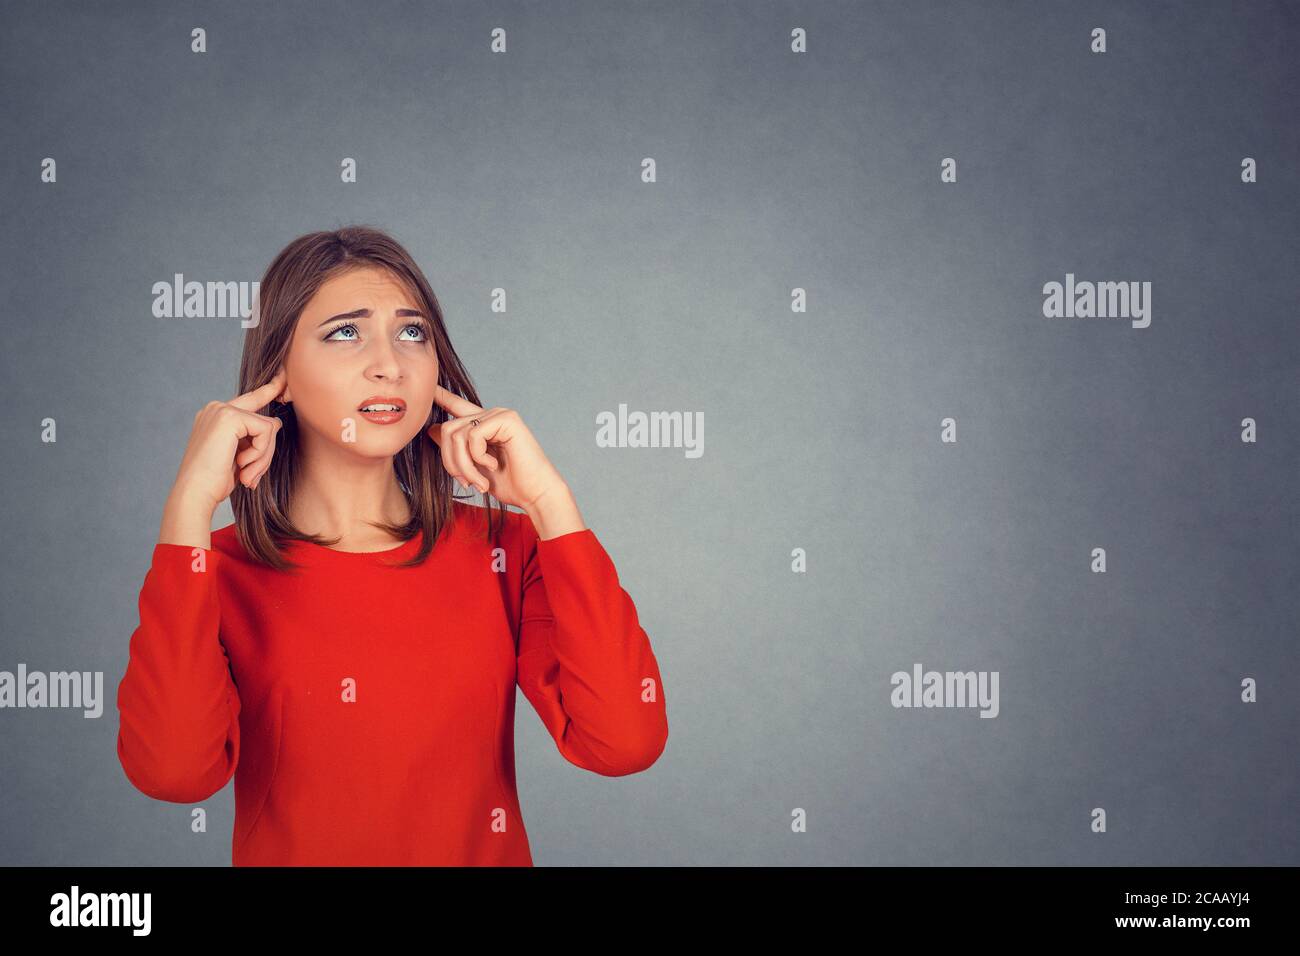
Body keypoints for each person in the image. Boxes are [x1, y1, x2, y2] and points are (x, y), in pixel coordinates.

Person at [115, 225, 669, 865]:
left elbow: (624, 743)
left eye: (412, 333)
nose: (390, 363)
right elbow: (173, 774)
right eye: (345, 332)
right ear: (280, 375)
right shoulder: (217, 570)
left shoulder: (508, 551)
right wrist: (186, 506)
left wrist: (551, 504)